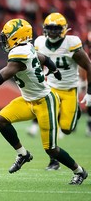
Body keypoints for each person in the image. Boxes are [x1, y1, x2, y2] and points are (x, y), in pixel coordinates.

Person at [0, 18, 88, 185]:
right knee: (1, 120)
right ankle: (23, 154)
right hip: (28, 100)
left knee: (51, 150)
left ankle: (79, 171)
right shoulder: (26, 47)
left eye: (8, 36)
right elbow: (44, 58)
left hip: (45, 102)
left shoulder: (20, 53)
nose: (4, 39)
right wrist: (54, 70)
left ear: (18, 37)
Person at [26, 12, 91, 170]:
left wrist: (89, 92)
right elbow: (38, 65)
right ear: (45, 29)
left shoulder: (71, 42)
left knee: (67, 129)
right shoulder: (40, 42)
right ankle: (53, 161)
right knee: (49, 125)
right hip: (51, 89)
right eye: (50, 28)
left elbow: (88, 66)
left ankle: (76, 113)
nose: (53, 31)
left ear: (64, 29)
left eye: (56, 28)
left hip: (69, 89)